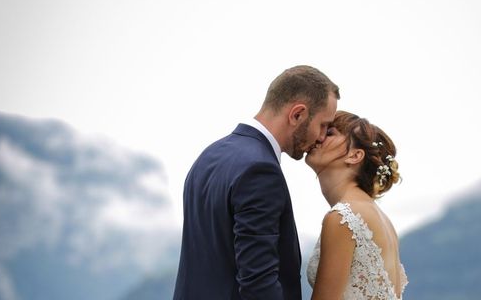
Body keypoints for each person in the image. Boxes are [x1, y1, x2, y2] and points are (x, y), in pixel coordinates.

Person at [172, 65, 340, 300]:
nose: (322, 137)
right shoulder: (260, 171)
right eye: (323, 125)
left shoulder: (208, 156)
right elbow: (258, 283)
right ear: (297, 114)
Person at [305, 111, 408, 300]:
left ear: (355, 155)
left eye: (329, 133)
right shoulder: (380, 218)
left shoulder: (344, 218)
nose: (317, 137)